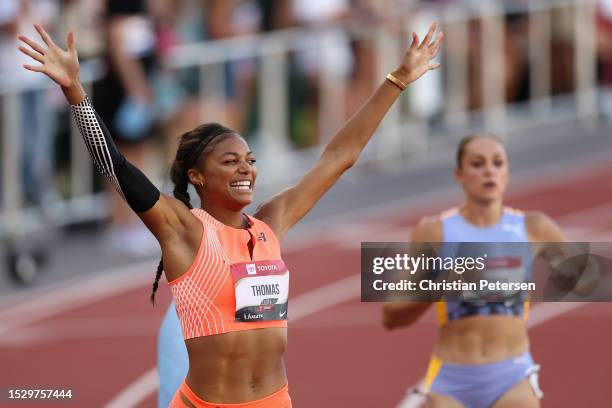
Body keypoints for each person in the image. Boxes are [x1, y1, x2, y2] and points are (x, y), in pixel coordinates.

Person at [19, 22, 443, 407]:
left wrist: (397, 81)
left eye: (249, 159)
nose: (246, 168)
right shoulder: (183, 231)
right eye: (230, 161)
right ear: (197, 176)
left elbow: (339, 157)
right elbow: (117, 168)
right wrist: (75, 90)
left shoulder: (270, 223)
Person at [382, 134, 598, 408]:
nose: (489, 171)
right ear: (459, 174)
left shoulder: (535, 227)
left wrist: (572, 274)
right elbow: (391, 316)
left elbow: (590, 279)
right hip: (451, 380)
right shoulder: (434, 231)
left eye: (498, 163)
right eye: (477, 164)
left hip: (512, 377)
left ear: (507, 173)